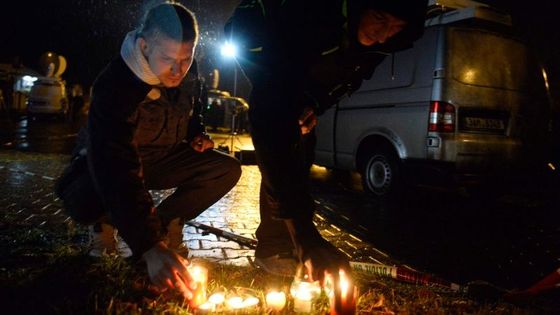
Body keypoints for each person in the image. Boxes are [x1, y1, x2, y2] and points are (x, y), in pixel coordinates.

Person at [225, 0, 427, 283]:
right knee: (282, 142)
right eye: (380, 18)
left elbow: (346, 79)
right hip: (259, 48)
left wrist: (312, 103)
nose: (383, 34)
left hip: (300, 72)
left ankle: (282, 242)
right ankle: (275, 246)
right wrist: (307, 235)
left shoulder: (383, 42)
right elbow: (270, 120)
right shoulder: (309, 15)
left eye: (396, 28)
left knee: (302, 141)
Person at [54, 1, 241, 300]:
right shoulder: (116, 84)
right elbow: (115, 163)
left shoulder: (189, 74)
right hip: (108, 166)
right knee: (91, 192)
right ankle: (105, 226)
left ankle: (164, 225)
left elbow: (192, 113)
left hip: (161, 158)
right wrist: (148, 246)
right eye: (168, 58)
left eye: (186, 58)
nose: (179, 70)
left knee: (225, 168)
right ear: (143, 46)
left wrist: (197, 135)